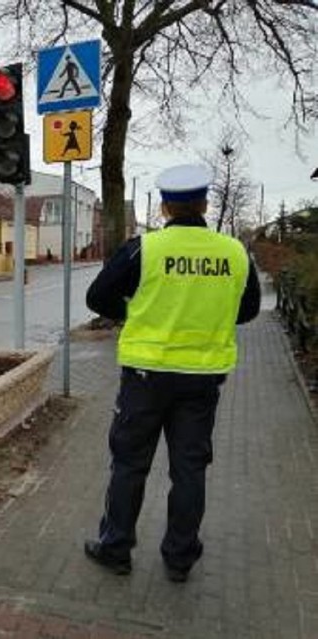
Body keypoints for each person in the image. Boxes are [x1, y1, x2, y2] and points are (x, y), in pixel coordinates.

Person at [83, 164, 261, 583]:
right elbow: (250, 309)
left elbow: (97, 297)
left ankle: (116, 549)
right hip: (202, 381)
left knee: (129, 465)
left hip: (145, 378)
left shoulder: (143, 248)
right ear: (204, 204)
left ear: (164, 207)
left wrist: (134, 313)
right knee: (190, 469)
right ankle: (180, 558)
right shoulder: (235, 252)